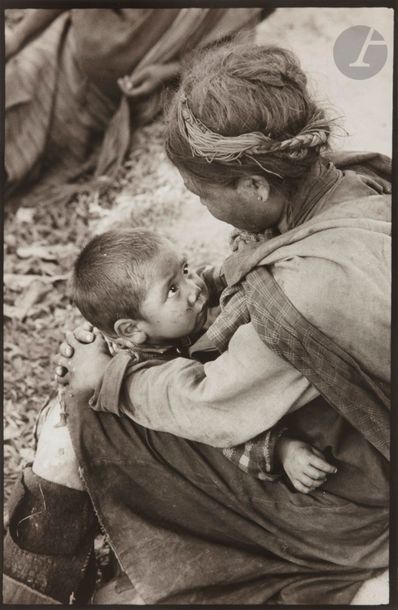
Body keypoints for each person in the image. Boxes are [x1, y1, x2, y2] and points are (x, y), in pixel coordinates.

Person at [3, 42, 390, 605]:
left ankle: (26, 594)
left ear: (254, 187)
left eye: (200, 193)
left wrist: (106, 377)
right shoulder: (356, 181)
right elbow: (251, 281)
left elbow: (212, 403)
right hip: (356, 456)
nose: (202, 206)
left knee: (75, 415)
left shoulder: (314, 289)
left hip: (350, 508)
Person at [71, 227, 336, 489]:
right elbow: (215, 425)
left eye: (184, 270)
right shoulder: (148, 375)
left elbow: (209, 279)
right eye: (172, 289)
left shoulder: (171, 319)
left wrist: (234, 267)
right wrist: (281, 449)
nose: (193, 288)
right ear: (131, 330)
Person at [5, 7, 264, 210]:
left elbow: (229, 56)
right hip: (58, 52)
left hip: (107, 104)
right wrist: (17, 39)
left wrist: (166, 71)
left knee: (37, 162)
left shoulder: (231, 11)